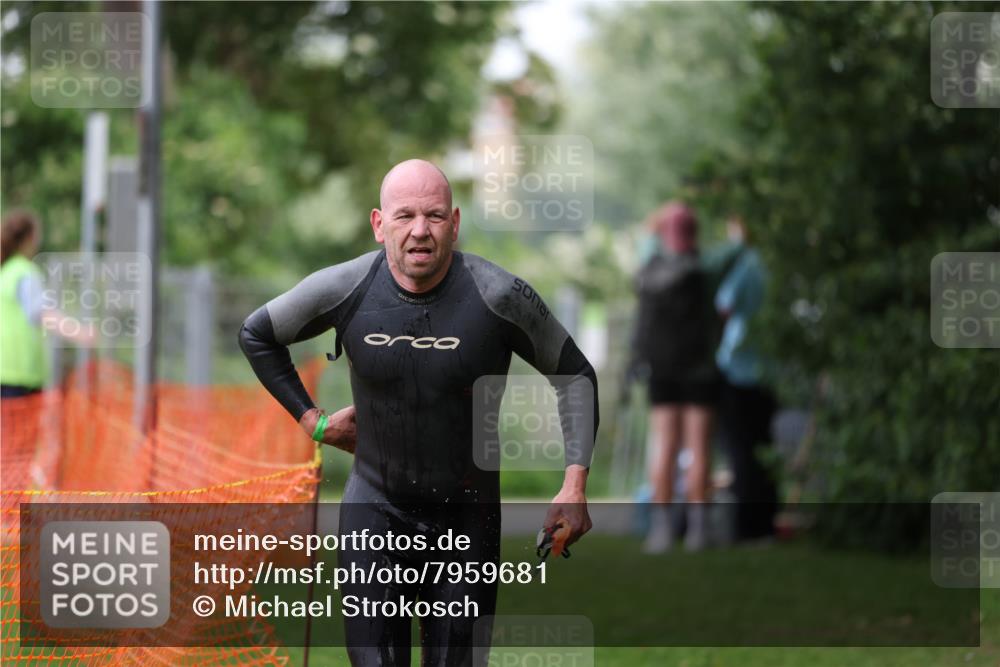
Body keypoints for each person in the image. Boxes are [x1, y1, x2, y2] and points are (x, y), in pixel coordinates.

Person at [239, 159, 599, 666]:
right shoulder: (347, 287)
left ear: (455, 223)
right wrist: (312, 422)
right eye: (404, 216)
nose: (420, 230)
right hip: (374, 512)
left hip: (466, 523)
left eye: (434, 216)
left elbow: (575, 374)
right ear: (378, 224)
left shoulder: (498, 296)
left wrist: (574, 485)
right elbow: (257, 334)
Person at [631, 202, 717, 553]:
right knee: (699, 449)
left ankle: (661, 531)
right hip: (700, 368)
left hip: (661, 367)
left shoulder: (648, 272)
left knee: (664, 446)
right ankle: (699, 532)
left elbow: (642, 324)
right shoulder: (706, 270)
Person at [715, 215, 777, 542]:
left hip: (737, 370)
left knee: (740, 450)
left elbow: (723, 307)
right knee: (764, 447)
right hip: (770, 370)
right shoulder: (773, 266)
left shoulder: (743, 265)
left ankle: (745, 527)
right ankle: (765, 524)